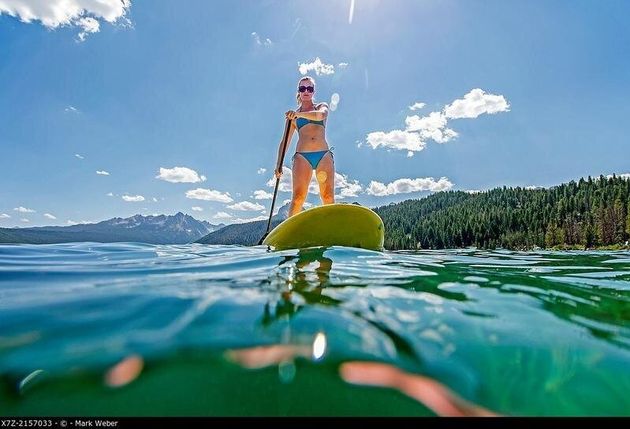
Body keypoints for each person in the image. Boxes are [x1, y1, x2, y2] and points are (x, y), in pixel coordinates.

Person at [274, 76, 335, 217]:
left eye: (309, 88)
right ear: (299, 92)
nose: (306, 91)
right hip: (302, 156)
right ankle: (290, 235)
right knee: (298, 198)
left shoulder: (320, 106)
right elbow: (285, 142)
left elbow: (321, 116)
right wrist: (279, 165)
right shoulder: (292, 118)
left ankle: (332, 229)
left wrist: (297, 114)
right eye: (303, 88)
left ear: (313, 92)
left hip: (323, 155)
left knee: (327, 196)